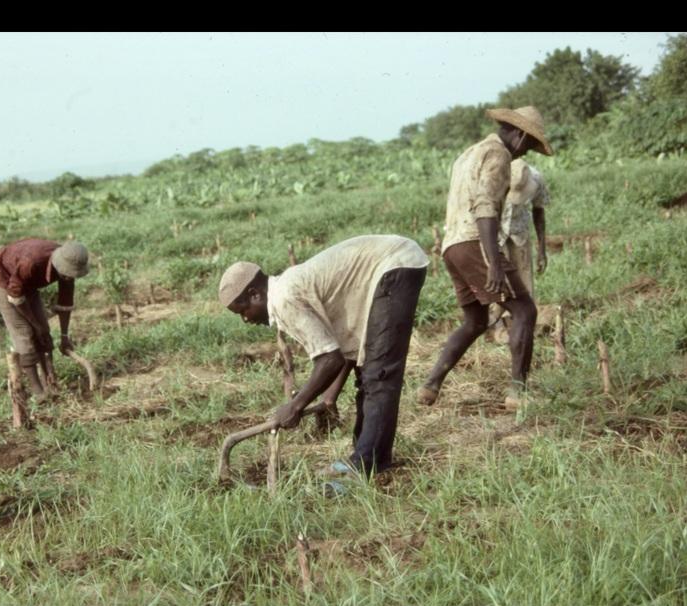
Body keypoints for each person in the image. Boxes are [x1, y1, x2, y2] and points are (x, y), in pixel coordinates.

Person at [219, 235, 428, 482]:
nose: (245, 319)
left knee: (379, 374)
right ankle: (364, 458)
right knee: (368, 374)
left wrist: (295, 406)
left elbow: (330, 359)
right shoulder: (288, 288)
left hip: (394, 263)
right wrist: (329, 396)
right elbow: (341, 353)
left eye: (243, 310)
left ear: (255, 294)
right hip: (388, 266)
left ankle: (366, 466)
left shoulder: (284, 299)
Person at [417, 106, 553, 409]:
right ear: (519, 135)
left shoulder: (469, 153)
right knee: (525, 311)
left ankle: (430, 386)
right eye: (528, 146)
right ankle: (518, 393)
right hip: (475, 242)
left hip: (452, 246)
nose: (524, 154)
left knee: (476, 320)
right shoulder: (499, 154)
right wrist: (494, 261)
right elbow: (484, 207)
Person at [0, 238, 90, 398]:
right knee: (25, 332)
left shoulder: (69, 266)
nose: (69, 277)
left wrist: (64, 336)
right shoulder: (31, 263)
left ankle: (50, 381)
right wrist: (36, 326)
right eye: (66, 273)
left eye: (72, 274)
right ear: (58, 263)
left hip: (26, 282)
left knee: (44, 330)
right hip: (3, 279)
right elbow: (16, 295)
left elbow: (65, 303)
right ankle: (38, 391)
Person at [488, 159, 550, 341]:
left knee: (524, 283)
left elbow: (539, 212)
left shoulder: (536, 179)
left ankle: (519, 327)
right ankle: (497, 326)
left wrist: (542, 249)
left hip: (519, 232)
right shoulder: (493, 177)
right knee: (496, 280)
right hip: (495, 234)